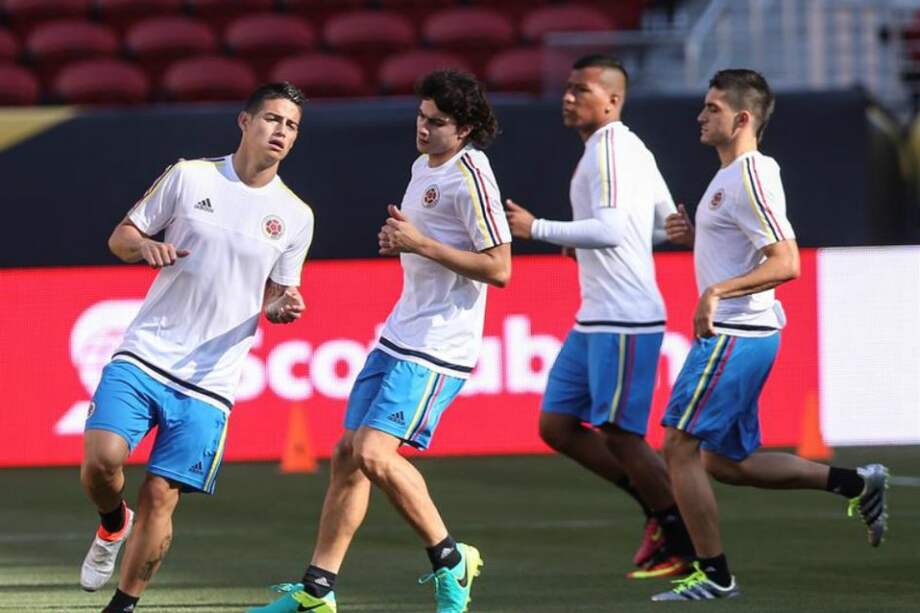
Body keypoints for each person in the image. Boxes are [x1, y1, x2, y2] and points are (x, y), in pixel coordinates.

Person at [250, 69, 511, 613]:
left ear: (464, 129)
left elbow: (499, 267)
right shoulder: (423, 166)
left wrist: (419, 243)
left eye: (436, 122)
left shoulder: (472, 174)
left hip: (440, 342)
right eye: (420, 116)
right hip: (401, 332)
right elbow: (429, 243)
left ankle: (452, 559)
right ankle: (317, 592)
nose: (423, 128)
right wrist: (404, 242)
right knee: (347, 455)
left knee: (373, 452)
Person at [652, 68, 889, 602]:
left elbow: (786, 262)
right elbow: (743, 246)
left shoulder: (751, 175)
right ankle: (856, 483)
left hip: (735, 332)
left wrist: (716, 292)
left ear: (741, 118)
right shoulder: (731, 176)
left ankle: (715, 576)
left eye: (712, 108)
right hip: (745, 333)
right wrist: (697, 237)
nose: (700, 115)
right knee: (726, 463)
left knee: (678, 446)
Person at [79, 82, 314, 613]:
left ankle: (123, 605)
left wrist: (280, 307)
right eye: (272, 119)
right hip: (146, 353)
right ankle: (112, 522)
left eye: (292, 126)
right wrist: (146, 246)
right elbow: (121, 237)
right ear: (245, 121)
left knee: (161, 496)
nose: (281, 131)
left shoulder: (296, 215)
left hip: (211, 380)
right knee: (102, 461)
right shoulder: (190, 176)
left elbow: (278, 293)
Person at [504, 54, 696, 579]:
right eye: (567, 89)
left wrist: (538, 228)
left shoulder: (610, 150)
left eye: (581, 90)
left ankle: (682, 534)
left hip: (624, 316)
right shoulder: (625, 147)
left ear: (612, 100)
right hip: (596, 315)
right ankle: (660, 509)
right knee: (558, 425)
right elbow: (666, 226)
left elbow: (612, 230)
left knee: (619, 433)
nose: (568, 98)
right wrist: (585, 245)